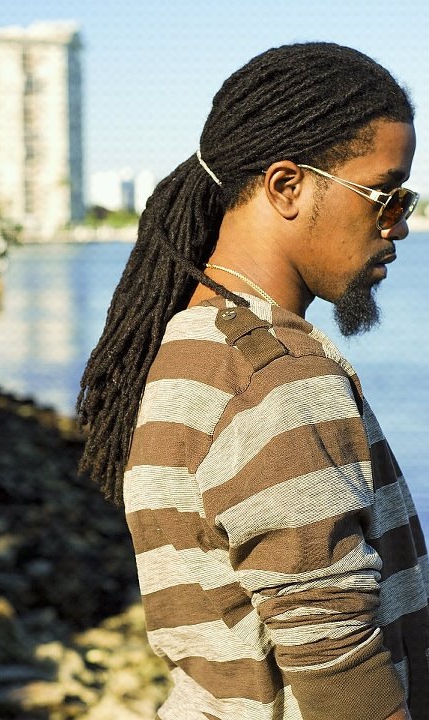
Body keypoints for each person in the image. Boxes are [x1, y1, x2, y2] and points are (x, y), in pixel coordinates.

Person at [78, 42, 428, 720]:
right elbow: (339, 671)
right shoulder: (275, 376)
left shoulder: (193, 342)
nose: (401, 226)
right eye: (386, 197)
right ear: (286, 186)